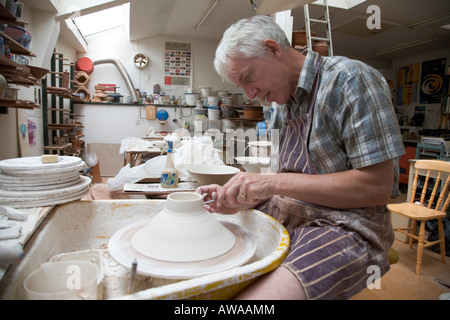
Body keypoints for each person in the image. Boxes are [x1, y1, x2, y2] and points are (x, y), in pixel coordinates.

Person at [198, 15, 405, 300]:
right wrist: (237, 197)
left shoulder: (350, 80)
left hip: (345, 225)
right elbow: (280, 183)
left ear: (273, 49)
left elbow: (378, 187)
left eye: (249, 78)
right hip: (288, 213)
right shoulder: (278, 104)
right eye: (241, 86)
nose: (251, 94)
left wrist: (272, 184)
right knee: (209, 266)